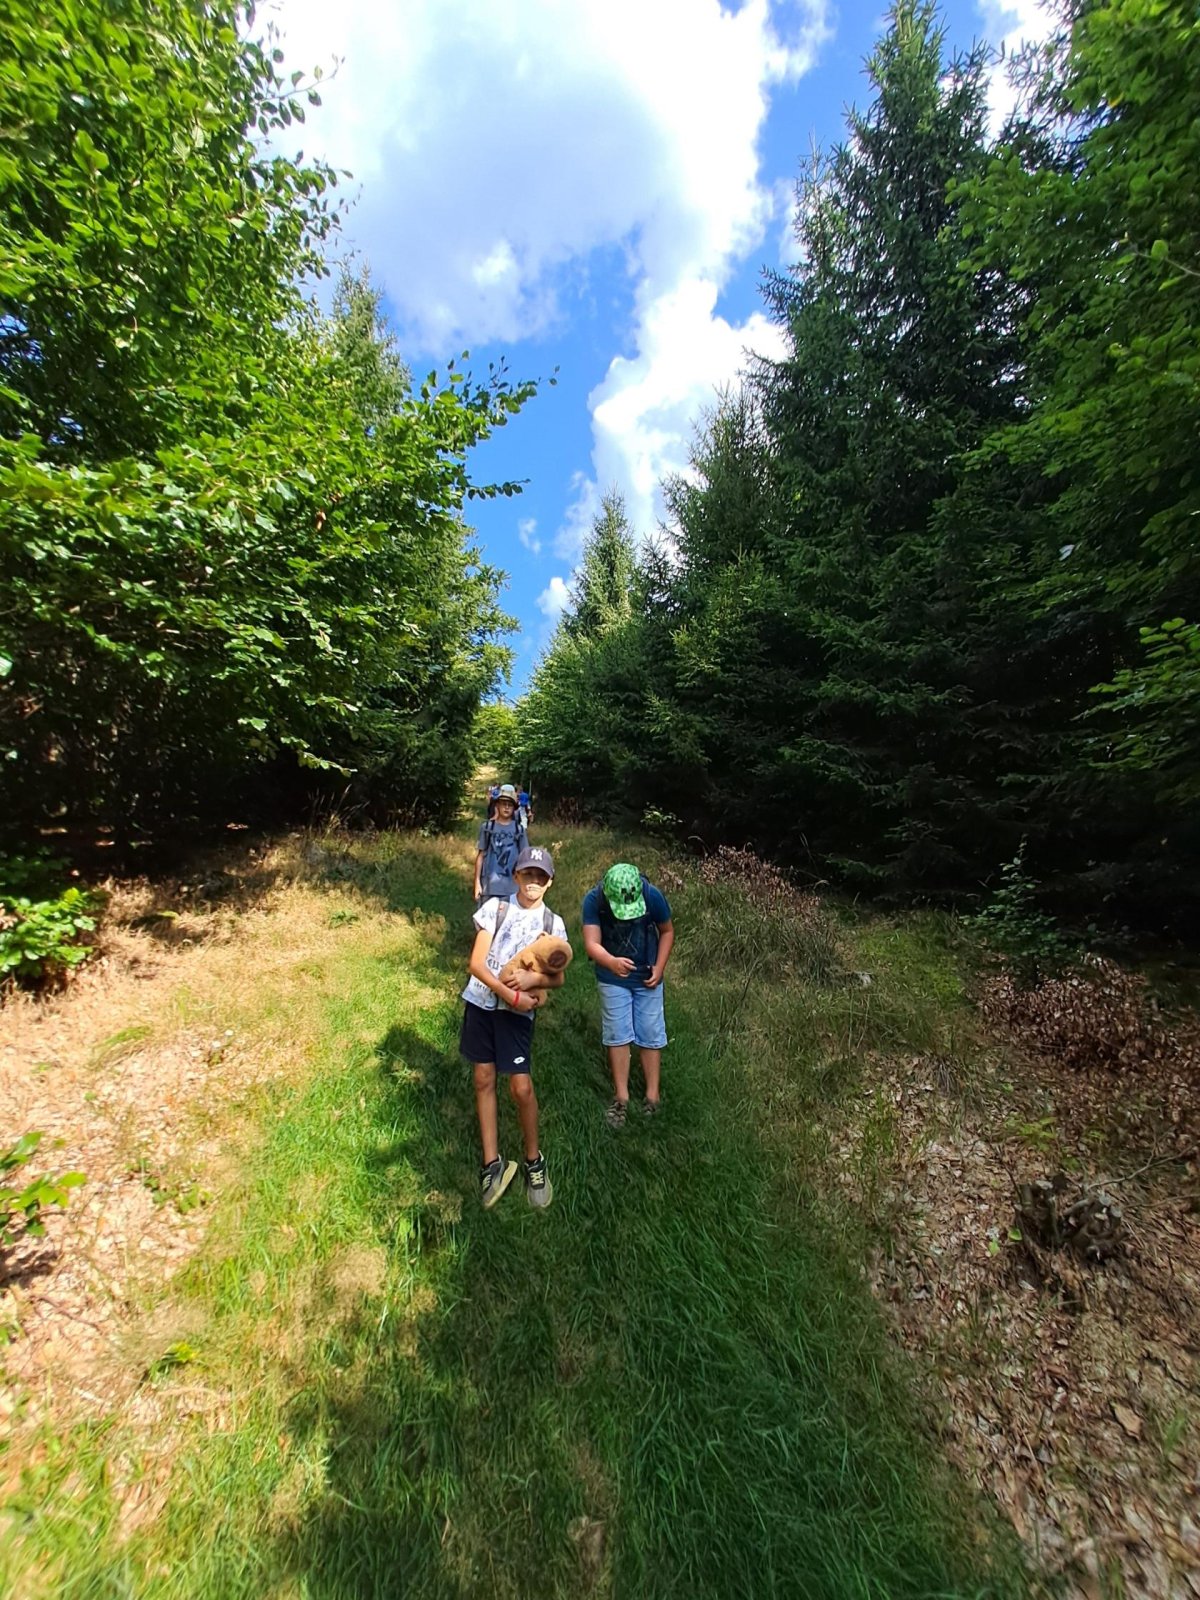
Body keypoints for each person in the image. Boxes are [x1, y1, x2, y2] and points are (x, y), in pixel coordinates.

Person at [461, 846, 567, 1208]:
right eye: (528, 874)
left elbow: (558, 978)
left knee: (521, 1087)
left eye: (541, 876)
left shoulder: (552, 925)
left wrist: (531, 981)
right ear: (516, 876)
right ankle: (491, 1163)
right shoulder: (496, 908)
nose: (533, 881)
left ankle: (533, 1160)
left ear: (549, 882)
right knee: (483, 1078)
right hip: (481, 1004)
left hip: (517, 1017)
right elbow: (476, 964)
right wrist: (511, 993)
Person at [581, 862, 674, 1128]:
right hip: (612, 978)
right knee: (617, 1031)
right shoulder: (594, 901)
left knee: (650, 1030)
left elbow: (667, 931)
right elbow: (591, 943)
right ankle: (621, 1097)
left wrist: (660, 967)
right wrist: (610, 962)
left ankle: (652, 1096)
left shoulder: (652, 896)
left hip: (647, 977)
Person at [474, 784, 527, 906]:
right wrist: (477, 882)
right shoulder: (487, 827)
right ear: (497, 805)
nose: (506, 807)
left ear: (514, 808)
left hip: (512, 888)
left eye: (510, 805)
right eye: (503, 804)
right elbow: (481, 855)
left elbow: (524, 859)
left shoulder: (519, 830)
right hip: (489, 887)